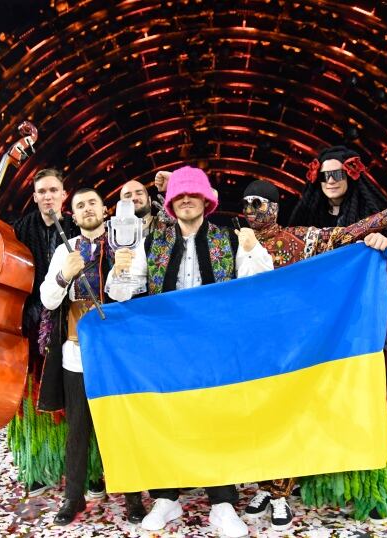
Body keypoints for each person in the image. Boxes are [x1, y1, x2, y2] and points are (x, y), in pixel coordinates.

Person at [108, 166, 274, 538]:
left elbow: (260, 284)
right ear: (170, 203)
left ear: (206, 199)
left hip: (216, 348)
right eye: (179, 195)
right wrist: (119, 271)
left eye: (192, 194)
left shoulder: (229, 238)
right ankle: (166, 498)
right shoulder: (152, 242)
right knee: (166, 419)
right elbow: (121, 293)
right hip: (165, 349)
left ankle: (222, 502)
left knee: (218, 420)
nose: (185, 199)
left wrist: (251, 249)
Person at [288, 145, 387, 520]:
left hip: (372, 330)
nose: (330, 181)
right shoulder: (307, 223)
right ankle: (328, 478)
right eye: (324, 175)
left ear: (352, 175)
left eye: (337, 174)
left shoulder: (378, 219)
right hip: (324, 333)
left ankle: (373, 482)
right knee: (326, 402)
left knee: (370, 401)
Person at [0, 168, 103, 497]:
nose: (48, 196)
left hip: (75, 325)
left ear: (64, 196)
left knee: (81, 402)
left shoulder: (80, 226)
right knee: (33, 399)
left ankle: (90, 470)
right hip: (30, 324)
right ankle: (38, 470)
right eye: (42, 191)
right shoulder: (18, 229)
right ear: (35, 197)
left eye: (54, 190)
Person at [38, 187, 146, 525]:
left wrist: (119, 271)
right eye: (80, 205)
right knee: (78, 428)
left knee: (122, 425)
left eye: (93, 203)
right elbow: (48, 299)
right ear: (73, 214)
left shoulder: (127, 243)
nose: (87, 209)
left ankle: (132, 498)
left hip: (117, 351)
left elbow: (125, 293)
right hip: (76, 350)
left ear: (105, 209)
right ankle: (73, 498)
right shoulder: (63, 250)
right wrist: (63, 274)